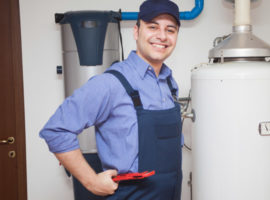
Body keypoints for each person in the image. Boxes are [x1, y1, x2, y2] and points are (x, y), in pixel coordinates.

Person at [40, 0, 183, 199]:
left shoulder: (169, 83)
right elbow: (56, 129)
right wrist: (91, 181)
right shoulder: (111, 83)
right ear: (136, 31)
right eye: (152, 27)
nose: (162, 36)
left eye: (170, 30)